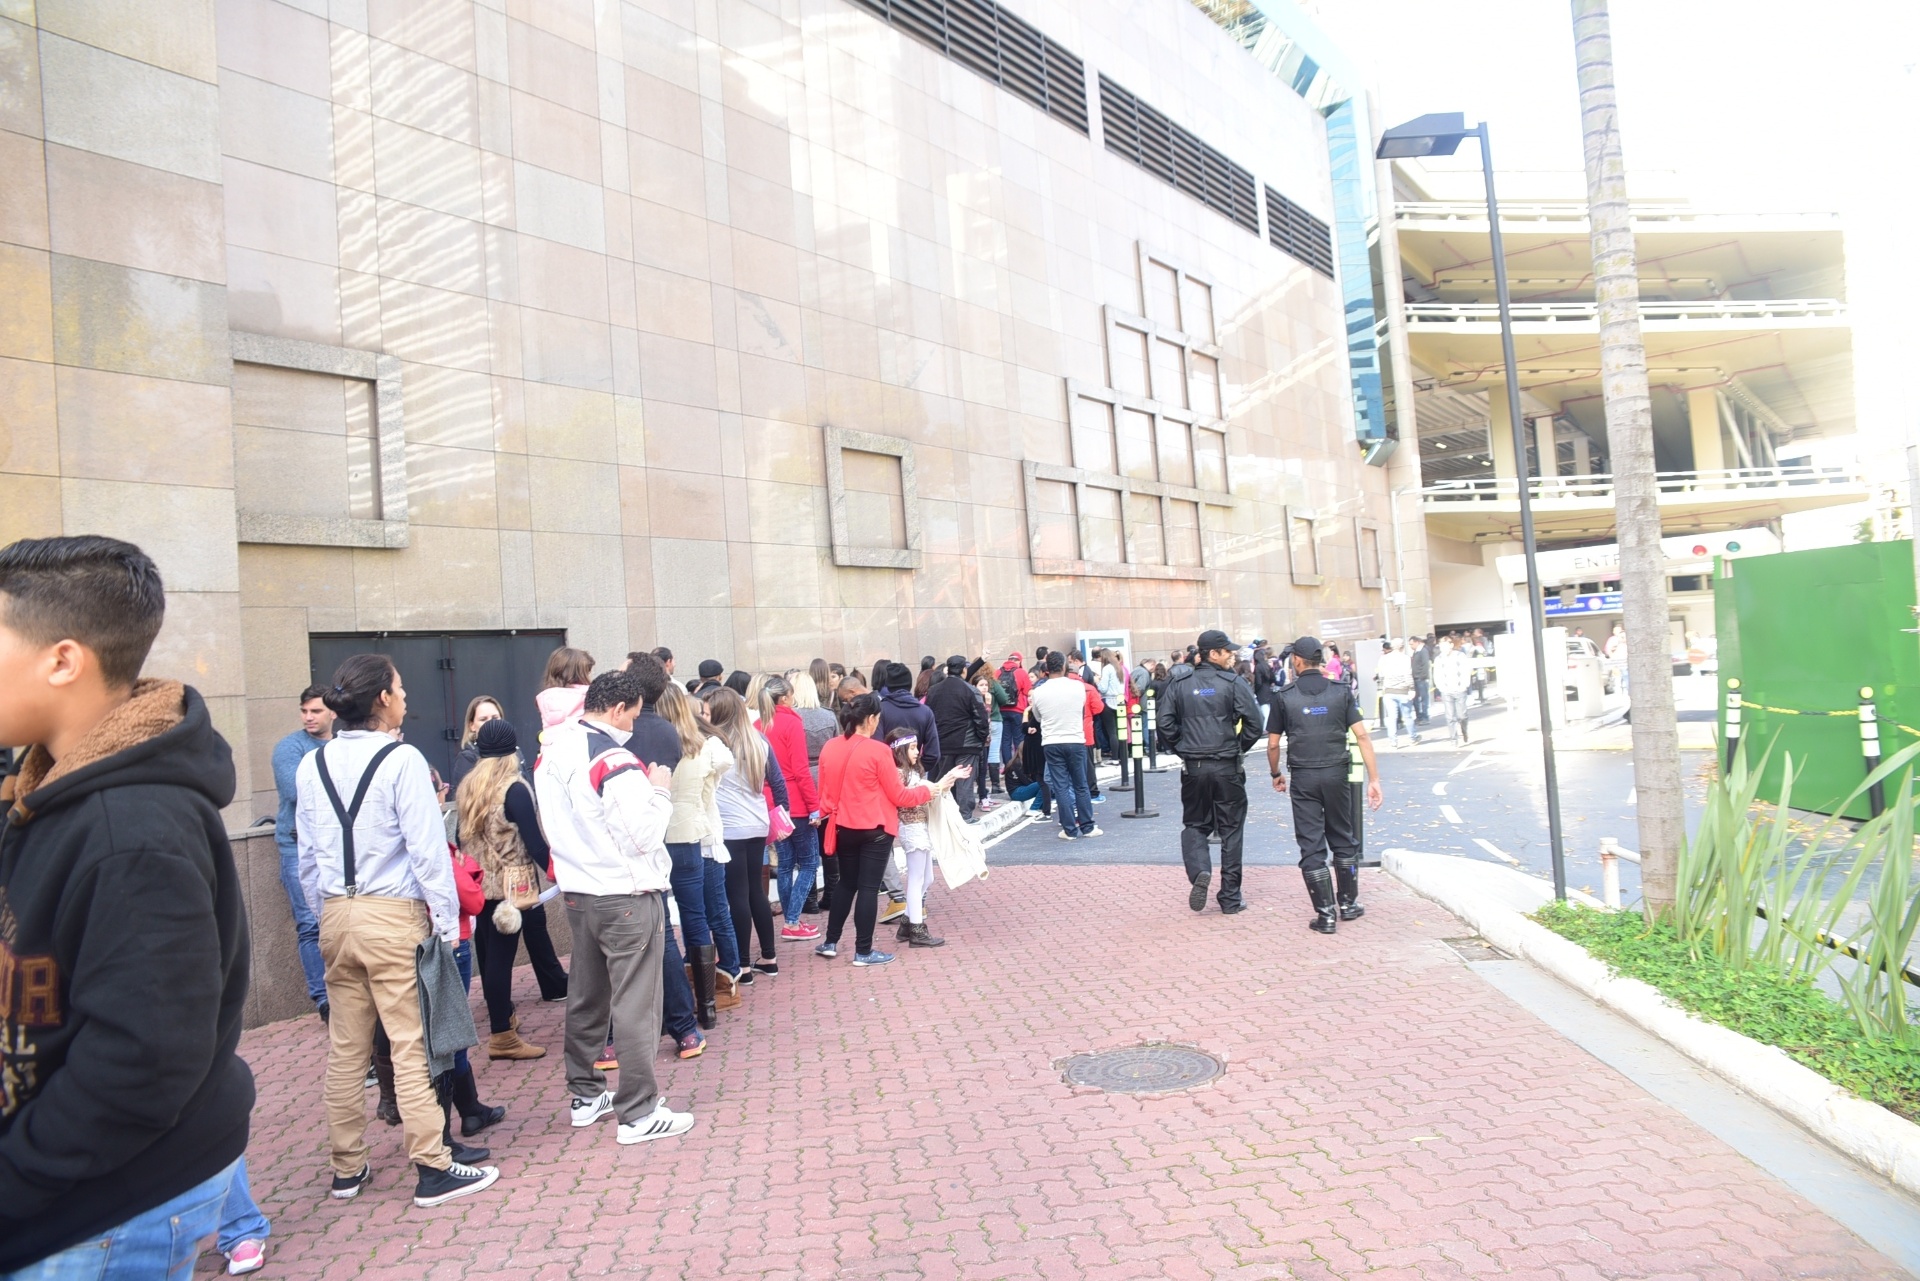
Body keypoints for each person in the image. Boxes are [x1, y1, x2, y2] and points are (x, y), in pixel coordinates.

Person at [0, 537, 256, 1274]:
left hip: (100, 1212)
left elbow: (142, 1061)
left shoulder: (132, 828)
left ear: (63, 659)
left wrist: (13, 1178)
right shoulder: (42, 790)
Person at [298, 652, 499, 1207]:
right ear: (383, 699)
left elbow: (309, 859)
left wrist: (326, 917)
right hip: (393, 916)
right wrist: (445, 925)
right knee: (411, 1044)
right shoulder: (402, 759)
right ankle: (432, 1165)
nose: (406, 696)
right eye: (401, 688)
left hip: (338, 914)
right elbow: (427, 852)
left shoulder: (311, 764)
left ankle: (347, 1168)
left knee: (347, 1049)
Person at [535, 667, 697, 1145]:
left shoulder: (553, 748)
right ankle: (639, 1110)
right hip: (624, 893)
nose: (635, 725)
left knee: (588, 995)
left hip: (580, 892)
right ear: (616, 708)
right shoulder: (613, 757)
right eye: (633, 715)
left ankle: (586, 1095)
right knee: (636, 1002)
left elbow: (550, 823)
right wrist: (661, 789)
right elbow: (642, 834)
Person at [815, 693, 960, 966]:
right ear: (870, 719)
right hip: (876, 828)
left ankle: (830, 942)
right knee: (868, 888)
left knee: (846, 883)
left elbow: (824, 792)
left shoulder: (830, 747)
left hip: (841, 825)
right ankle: (863, 951)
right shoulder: (879, 751)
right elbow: (900, 796)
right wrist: (928, 791)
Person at [455, 718, 560, 1060]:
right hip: (511, 888)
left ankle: (504, 1019)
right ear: (513, 750)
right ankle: (501, 1035)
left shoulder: (469, 787)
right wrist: (558, 873)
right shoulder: (514, 788)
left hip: (478, 883)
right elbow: (534, 842)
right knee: (501, 961)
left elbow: (460, 837)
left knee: (488, 957)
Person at [1267, 637, 1384, 933]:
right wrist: (1374, 779)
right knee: (1343, 836)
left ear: (1296, 660)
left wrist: (1276, 774)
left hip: (1304, 776)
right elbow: (1362, 736)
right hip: (1337, 773)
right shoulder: (1340, 692)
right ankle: (1348, 904)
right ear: (1320, 660)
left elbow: (1272, 744)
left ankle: (1326, 914)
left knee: (1311, 843)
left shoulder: (1285, 696)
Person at [1158, 629, 1263, 913]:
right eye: (1227, 651)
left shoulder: (1180, 684)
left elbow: (1164, 724)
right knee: (1231, 830)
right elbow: (1255, 723)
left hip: (1195, 768)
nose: (1232, 655)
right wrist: (1236, 746)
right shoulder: (1233, 682)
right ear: (1212, 654)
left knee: (1195, 823)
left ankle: (1200, 870)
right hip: (1226, 765)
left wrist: (1184, 748)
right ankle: (1230, 897)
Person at [659, 681, 735, 1026]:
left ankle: (673, 998)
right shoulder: (703, 747)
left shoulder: (649, 745)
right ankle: (707, 1006)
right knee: (696, 918)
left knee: (661, 922)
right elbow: (721, 769)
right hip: (691, 836)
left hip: (656, 839)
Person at [704, 685, 786, 979]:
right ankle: (769, 956)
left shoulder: (714, 743)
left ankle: (742, 963)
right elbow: (778, 782)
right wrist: (783, 813)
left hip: (730, 826)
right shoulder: (758, 740)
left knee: (736, 894)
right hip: (757, 823)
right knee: (756, 892)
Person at [272, 684, 335, 1020]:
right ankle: (324, 1000)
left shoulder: (340, 745)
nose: (309, 717)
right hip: (297, 846)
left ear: (333, 712)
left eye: (316, 711)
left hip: (337, 847)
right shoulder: (290, 747)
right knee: (310, 925)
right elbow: (294, 791)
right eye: (305, 711)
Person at [765, 676, 824, 939]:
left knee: (786, 864)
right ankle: (791, 921)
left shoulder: (759, 724)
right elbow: (800, 769)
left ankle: (792, 922)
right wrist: (814, 806)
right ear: (785, 698)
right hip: (796, 800)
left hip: (771, 801)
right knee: (809, 863)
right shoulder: (791, 722)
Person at [885, 728, 947, 947]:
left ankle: (907, 923)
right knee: (916, 879)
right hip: (911, 827)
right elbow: (903, 799)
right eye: (911, 748)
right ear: (899, 750)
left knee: (926, 878)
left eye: (916, 747)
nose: (917, 752)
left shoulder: (911, 772)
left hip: (920, 825)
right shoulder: (899, 773)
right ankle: (917, 929)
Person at [1028, 651, 1098, 840]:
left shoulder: (1039, 691)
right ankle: (1088, 826)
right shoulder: (1077, 687)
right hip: (1075, 739)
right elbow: (1081, 709)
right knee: (1081, 784)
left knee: (1060, 786)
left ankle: (1069, 829)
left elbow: (1038, 715)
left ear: (1046, 669)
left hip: (1052, 741)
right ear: (1065, 666)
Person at [925, 654, 988, 819]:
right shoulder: (970, 690)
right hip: (967, 743)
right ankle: (965, 815)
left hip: (943, 743)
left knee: (945, 780)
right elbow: (981, 719)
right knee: (965, 780)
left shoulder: (933, 691)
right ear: (964, 670)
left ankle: (940, 814)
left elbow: (929, 717)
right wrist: (981, 739)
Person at [876, 660, 940, 758]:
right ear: (910, 684)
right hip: (914, 768)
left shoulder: (880, 710)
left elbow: (877, 748)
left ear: (888, 686)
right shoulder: (925, 711)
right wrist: (917, 768)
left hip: (888, 769)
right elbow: (933, 754)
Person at [1432, 636, 1475, 746]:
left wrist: (1464, 685)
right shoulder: (1439, 659)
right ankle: (1453, 739)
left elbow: (1466, 670)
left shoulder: (1460, 656)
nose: (1443, 648)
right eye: (1441, 646)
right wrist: (1440, 686)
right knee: (1450, 716)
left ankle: (1464, 731)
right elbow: (1436, 674)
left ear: (1451, 645)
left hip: (1459, 689)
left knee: (1462, 715)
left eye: (1445, 646)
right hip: (1446, 691)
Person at [1376, 638, 1418, 747]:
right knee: (1407, 715)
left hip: (1389, 691)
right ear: (1402, 647)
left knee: (1391, 717)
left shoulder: (1383, 659)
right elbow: (1408, 675)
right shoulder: (1405, 658)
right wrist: (1412, 689)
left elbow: (1381, 675)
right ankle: (1413, 737)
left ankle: (1393, 741)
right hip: (1403, 691)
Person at [996, 650, 1031, 775]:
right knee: (1018, 740)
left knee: (1005, 741)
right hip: (1018, 711)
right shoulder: (1021, 672)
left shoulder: (998, 672)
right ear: (1019, 661)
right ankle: (1020, 767)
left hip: (1002, 710)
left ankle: (1008, 767)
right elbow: (1028, 691)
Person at [1409, 636, 1432, 726]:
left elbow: (1425, 664)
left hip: (1421, 679)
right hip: (1415, 678)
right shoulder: (1416, 652)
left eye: (1412, 644)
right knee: (1416, 699)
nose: (1411, 646)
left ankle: (1425, 717)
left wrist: (1423, 676)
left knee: (1424, 699)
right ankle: (1419, 716)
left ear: (1417, 642)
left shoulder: (1423, 651)